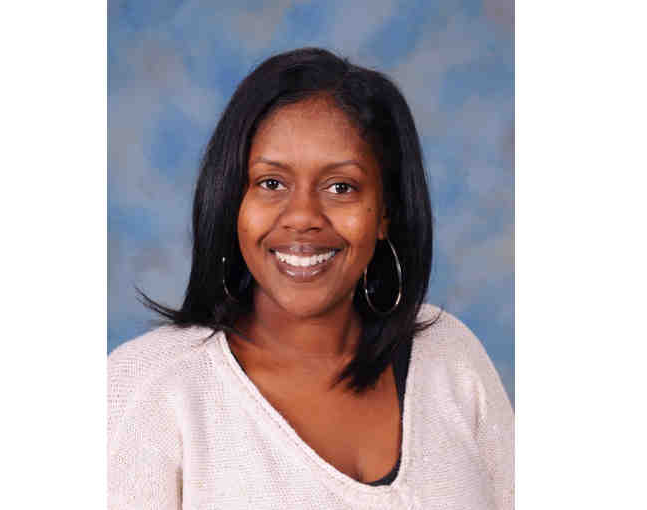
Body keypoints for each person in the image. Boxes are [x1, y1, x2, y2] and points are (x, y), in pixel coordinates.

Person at [108, 47, 514, 509]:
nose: (302, 217)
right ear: (232, 201)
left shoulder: (451, 354)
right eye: (271, 183)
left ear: (385, 213)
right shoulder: (149, 385)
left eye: (341, 187)